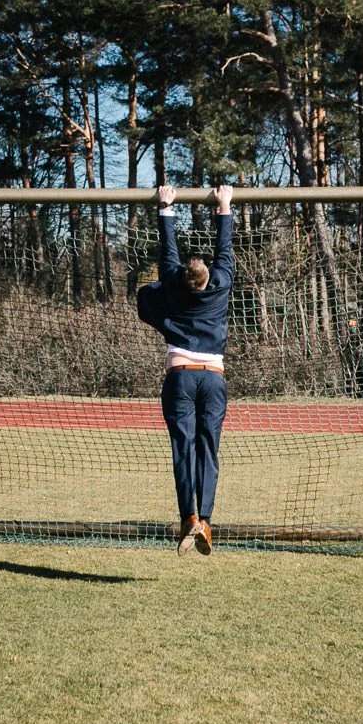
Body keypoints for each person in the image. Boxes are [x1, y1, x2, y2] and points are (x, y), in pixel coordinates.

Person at [138, 183, 234, 556]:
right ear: (209, 278)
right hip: (212, 377)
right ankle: (205, 520)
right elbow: (224, 249)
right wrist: (224, 206)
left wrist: (166, 206)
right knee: (208, 448)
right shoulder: (221, 284)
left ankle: (187, 518)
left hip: (180, 375)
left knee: (183, 448)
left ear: (181, 277)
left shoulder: (172, 286)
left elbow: (168, 248)